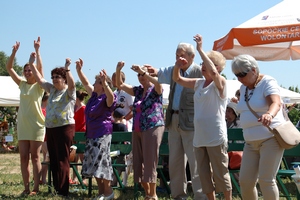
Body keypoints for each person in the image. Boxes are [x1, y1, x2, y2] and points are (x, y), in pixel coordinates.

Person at [173, 34, 232, 200]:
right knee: (203, 175)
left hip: (215, 137)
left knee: (221, 174)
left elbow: (212, 72)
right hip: (200, 138)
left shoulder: (220, 83)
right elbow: (177, 78)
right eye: (203, 63)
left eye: (208, 63)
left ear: (218, 68)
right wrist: (177, 65)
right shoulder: (198, 82)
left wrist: (199, 49)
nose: (203, 66)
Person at [146, 43, 206, 199]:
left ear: (192, 57)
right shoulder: (174, 70)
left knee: (196, 162)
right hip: (173, 120)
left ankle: (201, 196)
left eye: (182, 55)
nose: (179, 58)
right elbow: (159, 72)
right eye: (177, 55)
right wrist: (151, 70)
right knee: (175, 161)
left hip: (191, 122)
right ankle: (178, 195)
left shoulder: (200, 72)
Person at [231, 54, 286, 200]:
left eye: (242, 74)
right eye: (236, 75)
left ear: (253, 70)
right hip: (250, 142)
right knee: (245, 182)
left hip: (270, 139)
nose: (239, 78)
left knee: (266, 180)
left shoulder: (268, 81)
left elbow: (276, 103)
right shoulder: (244, 88)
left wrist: (269, 114)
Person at [116, 61, 165, 200]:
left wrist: (144, 72)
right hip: (137, 129)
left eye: (143, 74)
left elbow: (158, 83)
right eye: (138, 75)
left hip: (152, 127)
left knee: (150, 161)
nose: (141, 77)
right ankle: (148, 193)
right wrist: (118, 69)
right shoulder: (137, 90)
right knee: (138, 161)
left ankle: (153, 194)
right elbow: (120, 84)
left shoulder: (156, 88)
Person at [29, 54, 76, 197]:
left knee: (62, 159)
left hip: (64, 128)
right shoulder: (52, 90)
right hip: (51, 128)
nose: (55, 79)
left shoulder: (69, 91)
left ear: (64, 78)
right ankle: (56, 189)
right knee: (54, 159)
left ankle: (63, 191)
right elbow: (39, 79)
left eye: (58, 77)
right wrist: (32, 64)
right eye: (53, 77)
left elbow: (73, 84)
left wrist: (67, 69)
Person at [6, 37, 45, 196]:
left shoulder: (39, 85)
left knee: (35, 158)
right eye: (26, 70)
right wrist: (14, 52)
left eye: (31, 70)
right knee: (23, 158)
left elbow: (40, 70)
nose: (28, 72)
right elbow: (9, 68)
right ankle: (26, 187)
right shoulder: (21, 84)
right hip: (23, 125)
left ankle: (36, 188)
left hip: (36, 125)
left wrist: (37, 51)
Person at [75, 58, 116, 200]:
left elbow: (111, 98)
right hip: (91, 134)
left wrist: (105, 84)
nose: (93, 83)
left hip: (102, 134)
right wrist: (79, 70)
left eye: (97, 81)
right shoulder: (93, 96)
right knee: (94, 164)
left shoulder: (107, 97)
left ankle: (108, 192)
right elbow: (85, 82)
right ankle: (101, 193)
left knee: (102, 163)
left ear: (103, 85)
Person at [70, 90, 88, 185]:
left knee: (82, 157)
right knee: (74, 157)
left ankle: (84, 178)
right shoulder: (75, 108)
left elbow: (83, 124)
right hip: (75, 134)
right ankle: (74, 178)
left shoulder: (84, 108)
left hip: (81, 135)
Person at [40, 92, 49, 185]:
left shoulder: (46, 109)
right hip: (43, 137)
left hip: (47, 137)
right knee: (48, 157)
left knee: (45, 158)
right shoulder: (42, 110)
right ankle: (40, 177)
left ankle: (43, 178)